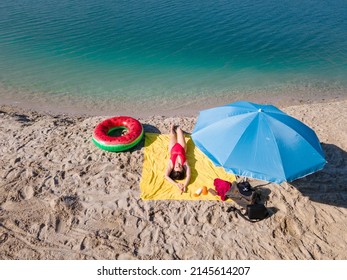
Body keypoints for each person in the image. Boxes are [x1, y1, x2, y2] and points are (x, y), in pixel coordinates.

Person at [164, 124, 191, 194]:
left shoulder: (171, 165)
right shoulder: (185, 164)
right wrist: (185, 185)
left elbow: (166, 176)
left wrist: (176, 184)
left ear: (173, 169)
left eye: (177, 167)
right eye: (180, 167)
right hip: (182, 147)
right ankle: (178, 131)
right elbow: (188, 175)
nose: (178, 165)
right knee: (179, 130)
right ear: (183, 168)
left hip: (172, 148)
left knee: (172, 133)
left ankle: (171, 128)